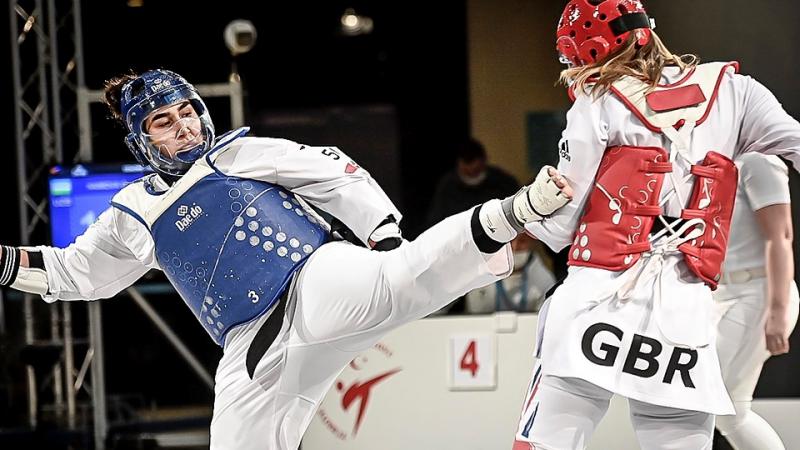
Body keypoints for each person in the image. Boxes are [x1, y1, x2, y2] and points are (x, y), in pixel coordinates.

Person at [0, 69, 573, 450]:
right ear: (141, 140)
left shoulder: (240, 152)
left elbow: (332, 169)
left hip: (314, 279)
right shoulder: (132, 213)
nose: (186, 126)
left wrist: (384, 234)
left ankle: (517, 211)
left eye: (188, 112)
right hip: (251, 347)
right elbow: (73, 273)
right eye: (164, 121)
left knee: (403, 279)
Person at [511, 1, 800, 449]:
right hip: (681, 311)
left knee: (546, 442)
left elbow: (564, 223)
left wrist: (527, 216)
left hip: (597, 298)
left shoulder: (596, 100)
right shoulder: (737, 91)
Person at [713, 153, 799, 449]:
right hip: (718, 292)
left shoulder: (758, 162)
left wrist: (777, 309)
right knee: (722, 409)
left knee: (719, 402)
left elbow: (780, 237)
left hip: (757, 291)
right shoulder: (712, 160)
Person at [426, 138, 521, 226]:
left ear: (484, 161)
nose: (470, 169)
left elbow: (517, 211)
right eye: (466, 162)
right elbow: (436, 220)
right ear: (459, 162)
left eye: (474, 165)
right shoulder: (448, 186)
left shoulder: (503, 182)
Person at [465, 233, 557, 314]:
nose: (515, 247)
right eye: (509, 241)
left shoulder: (544, 279)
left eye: (522, 241)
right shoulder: (480, 276)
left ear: (532, 243)